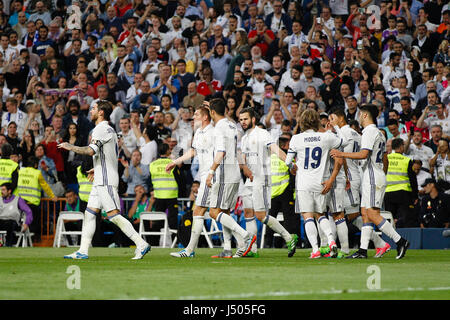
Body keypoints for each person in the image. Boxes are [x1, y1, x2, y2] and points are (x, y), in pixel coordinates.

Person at [58, 100, 150, 260]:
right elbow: (109, 155)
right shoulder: (108, 129)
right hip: (101, 176)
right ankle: (83, 251)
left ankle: (141, 243)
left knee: (113, 215)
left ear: (101, 112)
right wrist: (98, 168)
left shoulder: (100, 129)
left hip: (106, 180)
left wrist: (70, 146)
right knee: (90, 214)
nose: (91, 111)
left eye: (93, 108)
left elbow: (89, 150)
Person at [330, 104, 410, 259]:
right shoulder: (378, 133)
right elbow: (384, 156)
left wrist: (341, 153)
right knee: (365, 213)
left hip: (373, 175)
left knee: (372, 214)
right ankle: (363, 250)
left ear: (365, 115)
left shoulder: (369, 132)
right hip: (372, 174)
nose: (359, 117)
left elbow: (363, 154)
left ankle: (400, 241)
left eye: (360, 114)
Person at [238, 107, 298, 258]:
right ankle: (252, 250)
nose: (243, 122)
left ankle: (288, 237)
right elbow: (243, 158)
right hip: (249, 180)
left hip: (262, 178)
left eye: (245, 119)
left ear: (253, 119)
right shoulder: (244, 138)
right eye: (240, 120)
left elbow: (276, 150)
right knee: (248, 213)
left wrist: (289, 163)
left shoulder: (262, 134)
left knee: (261, 215)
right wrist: (244, 168)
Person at [285, 109, 345, 259]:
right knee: (321, 215)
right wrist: (337, 126)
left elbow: (287, 162)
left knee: (308, 217)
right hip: (320, 182)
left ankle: (315, 249)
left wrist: (293, 168)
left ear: (302, 122)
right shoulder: (325, 137)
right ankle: (331, 241)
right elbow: (344, 141)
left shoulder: (296, 139)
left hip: (303, 183)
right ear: (317, 121)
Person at [205, 98, 256, 258]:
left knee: (214, 212)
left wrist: (211, 171)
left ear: (212, 112)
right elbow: (238, 150)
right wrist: (244, 167)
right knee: (225, 212)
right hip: (234, 174)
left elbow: (221, 152)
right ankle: (229, 248)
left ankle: (246, 236)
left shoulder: (219, 128)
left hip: (224, 175)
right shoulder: (232, 125)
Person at [169, 106, 214, 258]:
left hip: (211, 177)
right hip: (205, 177)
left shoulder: (213, 132)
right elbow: (192, 152)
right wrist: (175, 162)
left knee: (207, 212)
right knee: (204, 212)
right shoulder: (199, 133)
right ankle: (189, 250)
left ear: (205, 117)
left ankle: (244, 238)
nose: (193, 117)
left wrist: (213, 172)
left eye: (196, 115)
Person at [16, 155, 57, 242]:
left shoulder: (21, 171)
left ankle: (23, 241)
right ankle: (35, 240)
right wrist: (52, 196)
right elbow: (45, 186)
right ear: (35, 165)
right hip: (33, 202)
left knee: (21, 222)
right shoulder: (37, 173)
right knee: (35, 223)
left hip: (21, 203)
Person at [149, 143, 183, 238]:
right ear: (168, 151)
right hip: (171, 195)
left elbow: (150, 180)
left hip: (158, 195)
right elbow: (179, 179)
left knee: (158, 221)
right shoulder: (173, 163)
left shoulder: (152, 164)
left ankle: (155, 242)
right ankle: (174, 242)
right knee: (173, 221)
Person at [385, 138, 419, 227]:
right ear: (400, 147)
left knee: (389, 219)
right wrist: (415, 195)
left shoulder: (386, 158)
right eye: (403, 145)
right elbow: (413, 179)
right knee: (405, 219)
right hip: (403, 193)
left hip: (388, 193)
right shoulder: (406, 160)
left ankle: (389, 239)